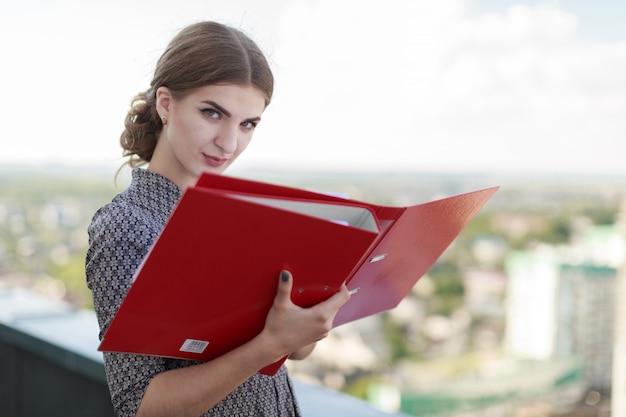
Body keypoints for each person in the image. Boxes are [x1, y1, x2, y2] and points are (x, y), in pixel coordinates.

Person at [86, 21, 351, 417]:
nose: (229, 143)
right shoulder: (127, 227)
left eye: (247, 124)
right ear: (165, 103)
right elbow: (140, 407)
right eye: (212, 113)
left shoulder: (243, 217)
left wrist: (312, 316)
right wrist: (269, 345)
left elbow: (296, 350)